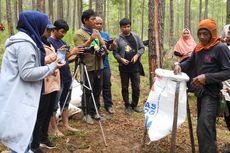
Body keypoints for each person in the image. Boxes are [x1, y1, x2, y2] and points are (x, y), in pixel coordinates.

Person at [0, 11, 62, 153]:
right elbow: (27, 73)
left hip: (16, 93)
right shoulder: (25, 45)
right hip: (21, 94)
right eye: (45, 27)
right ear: (36, 25)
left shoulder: (23, 41)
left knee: (20, 136)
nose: (47, 31)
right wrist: (51, 67)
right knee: (22, 136)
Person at [174, 19, 230, 153]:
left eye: (206, 34)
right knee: (206, 126)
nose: (202, 37)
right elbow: (190, 63)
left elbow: (228, 71)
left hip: (211, 93)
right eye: (200, 34)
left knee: (204, 126)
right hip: (200, 92)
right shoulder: (198, 48)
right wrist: (179, 66)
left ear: (212, 33)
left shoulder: (220, 48)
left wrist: (207, 77)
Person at [48, 19, 82, 136]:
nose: (63, 34)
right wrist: (71, 52)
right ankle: (54, 128)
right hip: (57, 78)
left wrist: (74, 56)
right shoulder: (49, 43)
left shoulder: (62, 42)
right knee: (54, 104)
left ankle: (66, 125)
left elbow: (65, 59)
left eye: (65, 32)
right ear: (54, 29)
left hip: (67, 76)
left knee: (66, 101)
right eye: (61, 31)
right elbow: (56, 60)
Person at [74, 9, 105, 124]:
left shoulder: (95, 31)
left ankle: (95, 111)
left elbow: (102, 44)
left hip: (99, 65)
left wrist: (104, 48)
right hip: (88, 66)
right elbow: (79, 49)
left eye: (94, 18)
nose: (94, 21)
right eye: (92, 19)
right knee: (88, 90)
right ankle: (86, 113)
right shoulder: (79, 33)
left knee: (97, 89)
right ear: (85, 20)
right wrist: (90, 39)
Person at [113, 18, 145, 115]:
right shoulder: (118, 39)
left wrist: (137, 55)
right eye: (124, 27)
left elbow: (142, 48)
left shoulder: (136, 36)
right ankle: (127, 106)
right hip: (124, 68)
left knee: (136, 87)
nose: (126, 28)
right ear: (121, 27)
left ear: (130, 26)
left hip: (135, 67)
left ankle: (134, 105)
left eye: (128, 26)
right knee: (125, 87)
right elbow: (115, 53)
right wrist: (121, 59)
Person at [94, 16, 115, 114]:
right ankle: (96, 106)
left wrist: (112, 45)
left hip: (105, 64)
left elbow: (110, 49)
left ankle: (109, 105)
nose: (99, 25)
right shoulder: (91, 34)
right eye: (97, 23)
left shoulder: (105, 34)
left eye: (100, 24)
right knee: (97, 86)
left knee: (107, 84)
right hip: (95, 64)